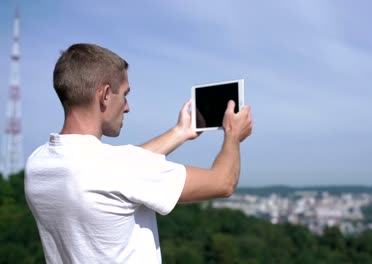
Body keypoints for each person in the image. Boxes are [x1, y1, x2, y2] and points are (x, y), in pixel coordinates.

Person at [24, 43, 253, 263]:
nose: (127, 107)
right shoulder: (120, 168)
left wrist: (180, 132)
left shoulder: (38, 164)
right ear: (104, 95)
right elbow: (223, 182)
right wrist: (233, 135)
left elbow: (120, 168)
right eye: (125, 94)